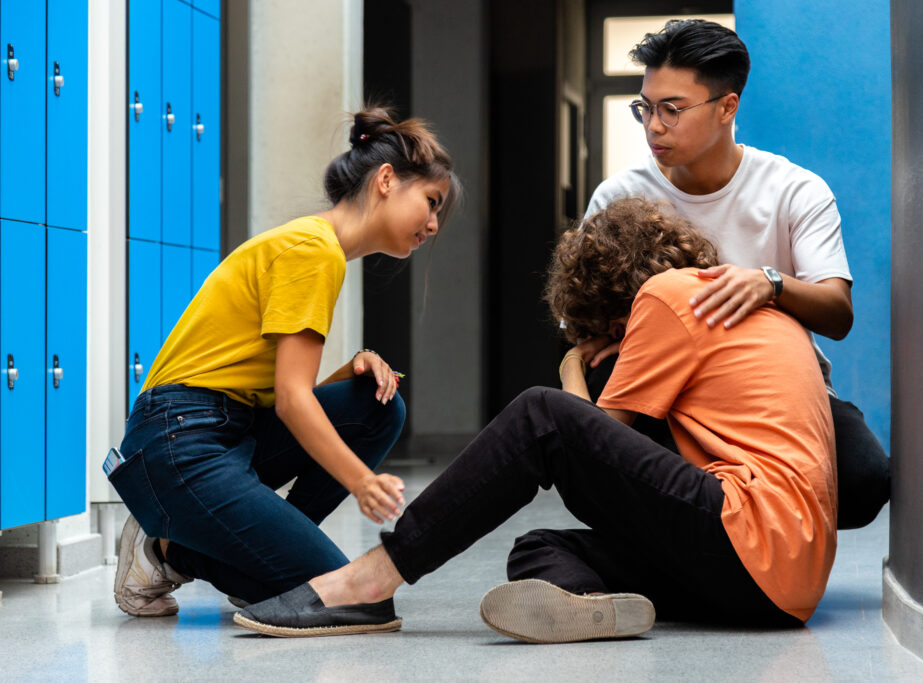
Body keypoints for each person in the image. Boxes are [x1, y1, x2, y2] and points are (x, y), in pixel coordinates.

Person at [232, 197, 837, 642]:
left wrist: (574, 362)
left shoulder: (670, 295)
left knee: (541, 415)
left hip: (748, 533)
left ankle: (369, 583)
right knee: (541, 549)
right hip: (781, 589)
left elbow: (590, 436)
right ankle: (597, 606)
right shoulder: (749, 309)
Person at [108, 107, 460, 617]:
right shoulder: (313, 250)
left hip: (227, 428)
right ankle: (164, 550)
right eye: (430, 203)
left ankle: (257, 555)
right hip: (179, 441)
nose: (432, 224)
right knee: (349, 595)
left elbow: (284, 390)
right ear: (386, 180)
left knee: (378, 406)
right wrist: (363, 483)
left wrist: (353, 369)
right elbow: (295, 402)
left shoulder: (318, 247)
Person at [584, 19, 889, 530]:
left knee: (863, 481)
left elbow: (837, 312)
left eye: (672, 110)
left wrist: (769, 284)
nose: (654, 126)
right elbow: (586, 325)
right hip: (666, 393)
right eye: (646, 108)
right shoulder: (618, 197)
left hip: (776, 389)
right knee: (614, 437)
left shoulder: (795, 190)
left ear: (728, 107)